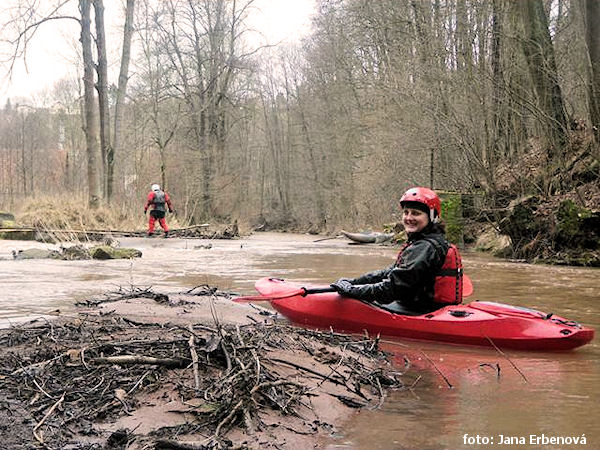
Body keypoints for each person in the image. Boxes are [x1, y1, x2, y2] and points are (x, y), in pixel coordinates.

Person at [330, 187, 464, 315]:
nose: (409, 218)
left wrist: (352, 291)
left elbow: (392, 289)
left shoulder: (424, 247)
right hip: (425, 307)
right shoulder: (430, 241)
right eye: (406, 213)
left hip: (419, 310)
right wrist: (355, 282)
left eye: (416, 213)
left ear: (432, 217)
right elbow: (390, 272)